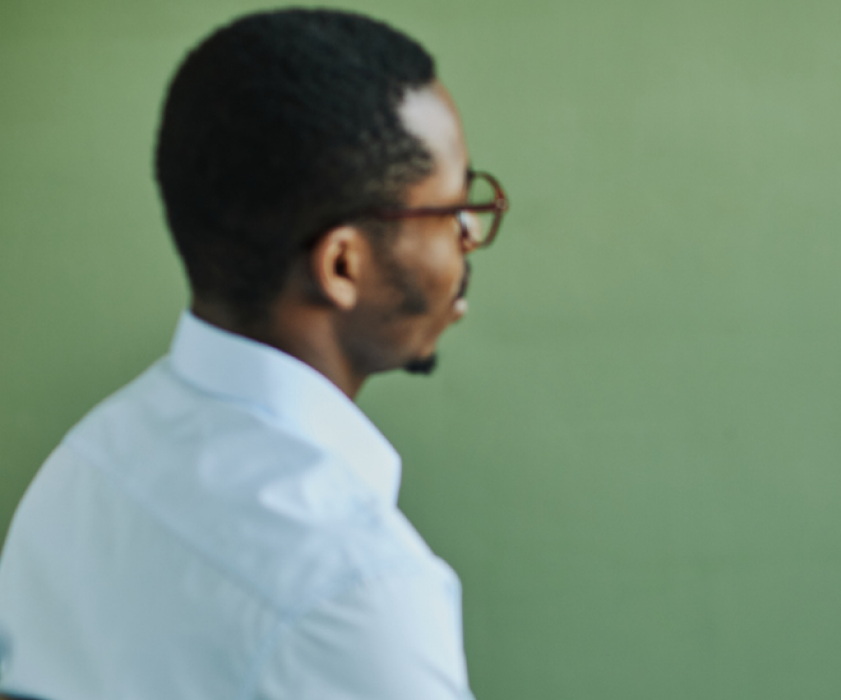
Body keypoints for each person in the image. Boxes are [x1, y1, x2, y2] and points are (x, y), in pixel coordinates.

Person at [0, 9, 508, 699]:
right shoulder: (356, 590)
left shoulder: (81, 470)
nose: (469, 233)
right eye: (449, 210)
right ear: (342, 265)